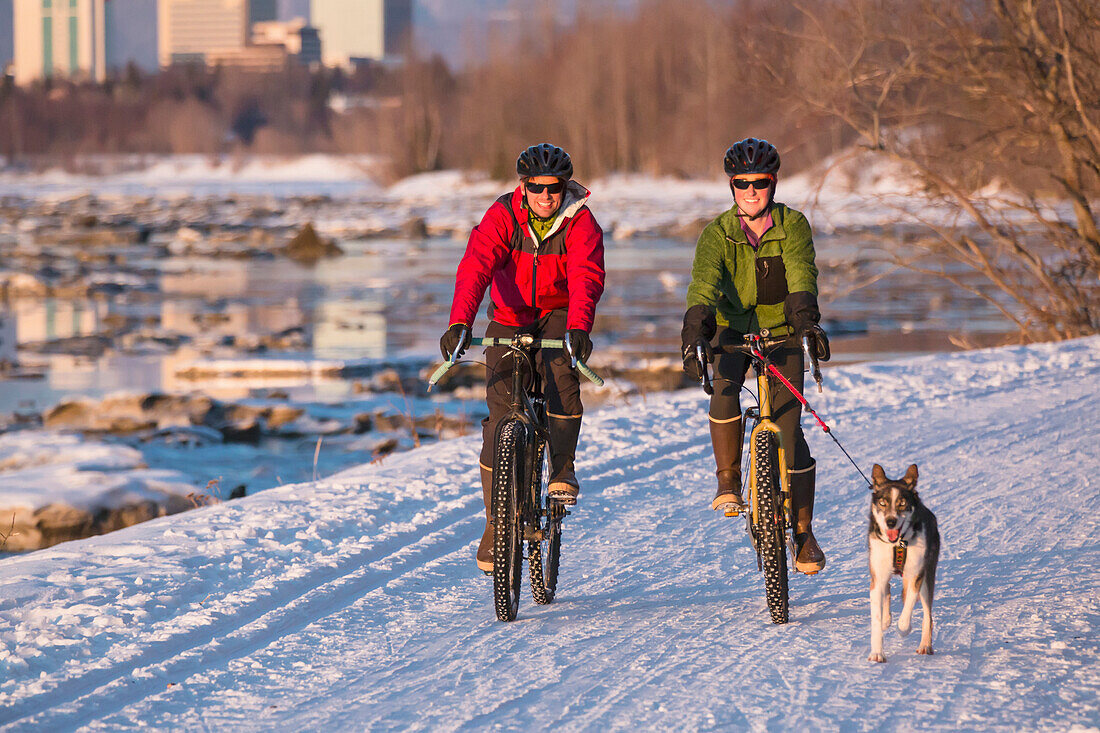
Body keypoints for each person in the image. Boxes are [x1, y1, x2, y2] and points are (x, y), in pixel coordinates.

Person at [440, 143, 606, 573]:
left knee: (561, 380)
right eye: (537, 188)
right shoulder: (503, 216)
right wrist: (461, 322)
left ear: (565, 187)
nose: (546, 197)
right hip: (510, 317)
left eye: (554, 189)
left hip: (558, 315)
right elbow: (476, 266)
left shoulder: (580, 222)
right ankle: (496, 525)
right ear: (523, 186)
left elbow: (587, 276)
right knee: (498, 416)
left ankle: (563, 470)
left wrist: (578, 328)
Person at [680, 137, 831, 574]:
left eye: (759, 183)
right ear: (731, 186)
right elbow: (703, 283)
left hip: (783, 332)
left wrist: (806, 321)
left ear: (773, 183)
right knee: (724, 388)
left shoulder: (793, 226)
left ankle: (802, 533)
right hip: (732, 332)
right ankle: (727, 481)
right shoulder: (717, 234)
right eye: (741, 183)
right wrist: (696, 329)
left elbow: (803, 273)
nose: (750, 191)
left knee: (789, 429)